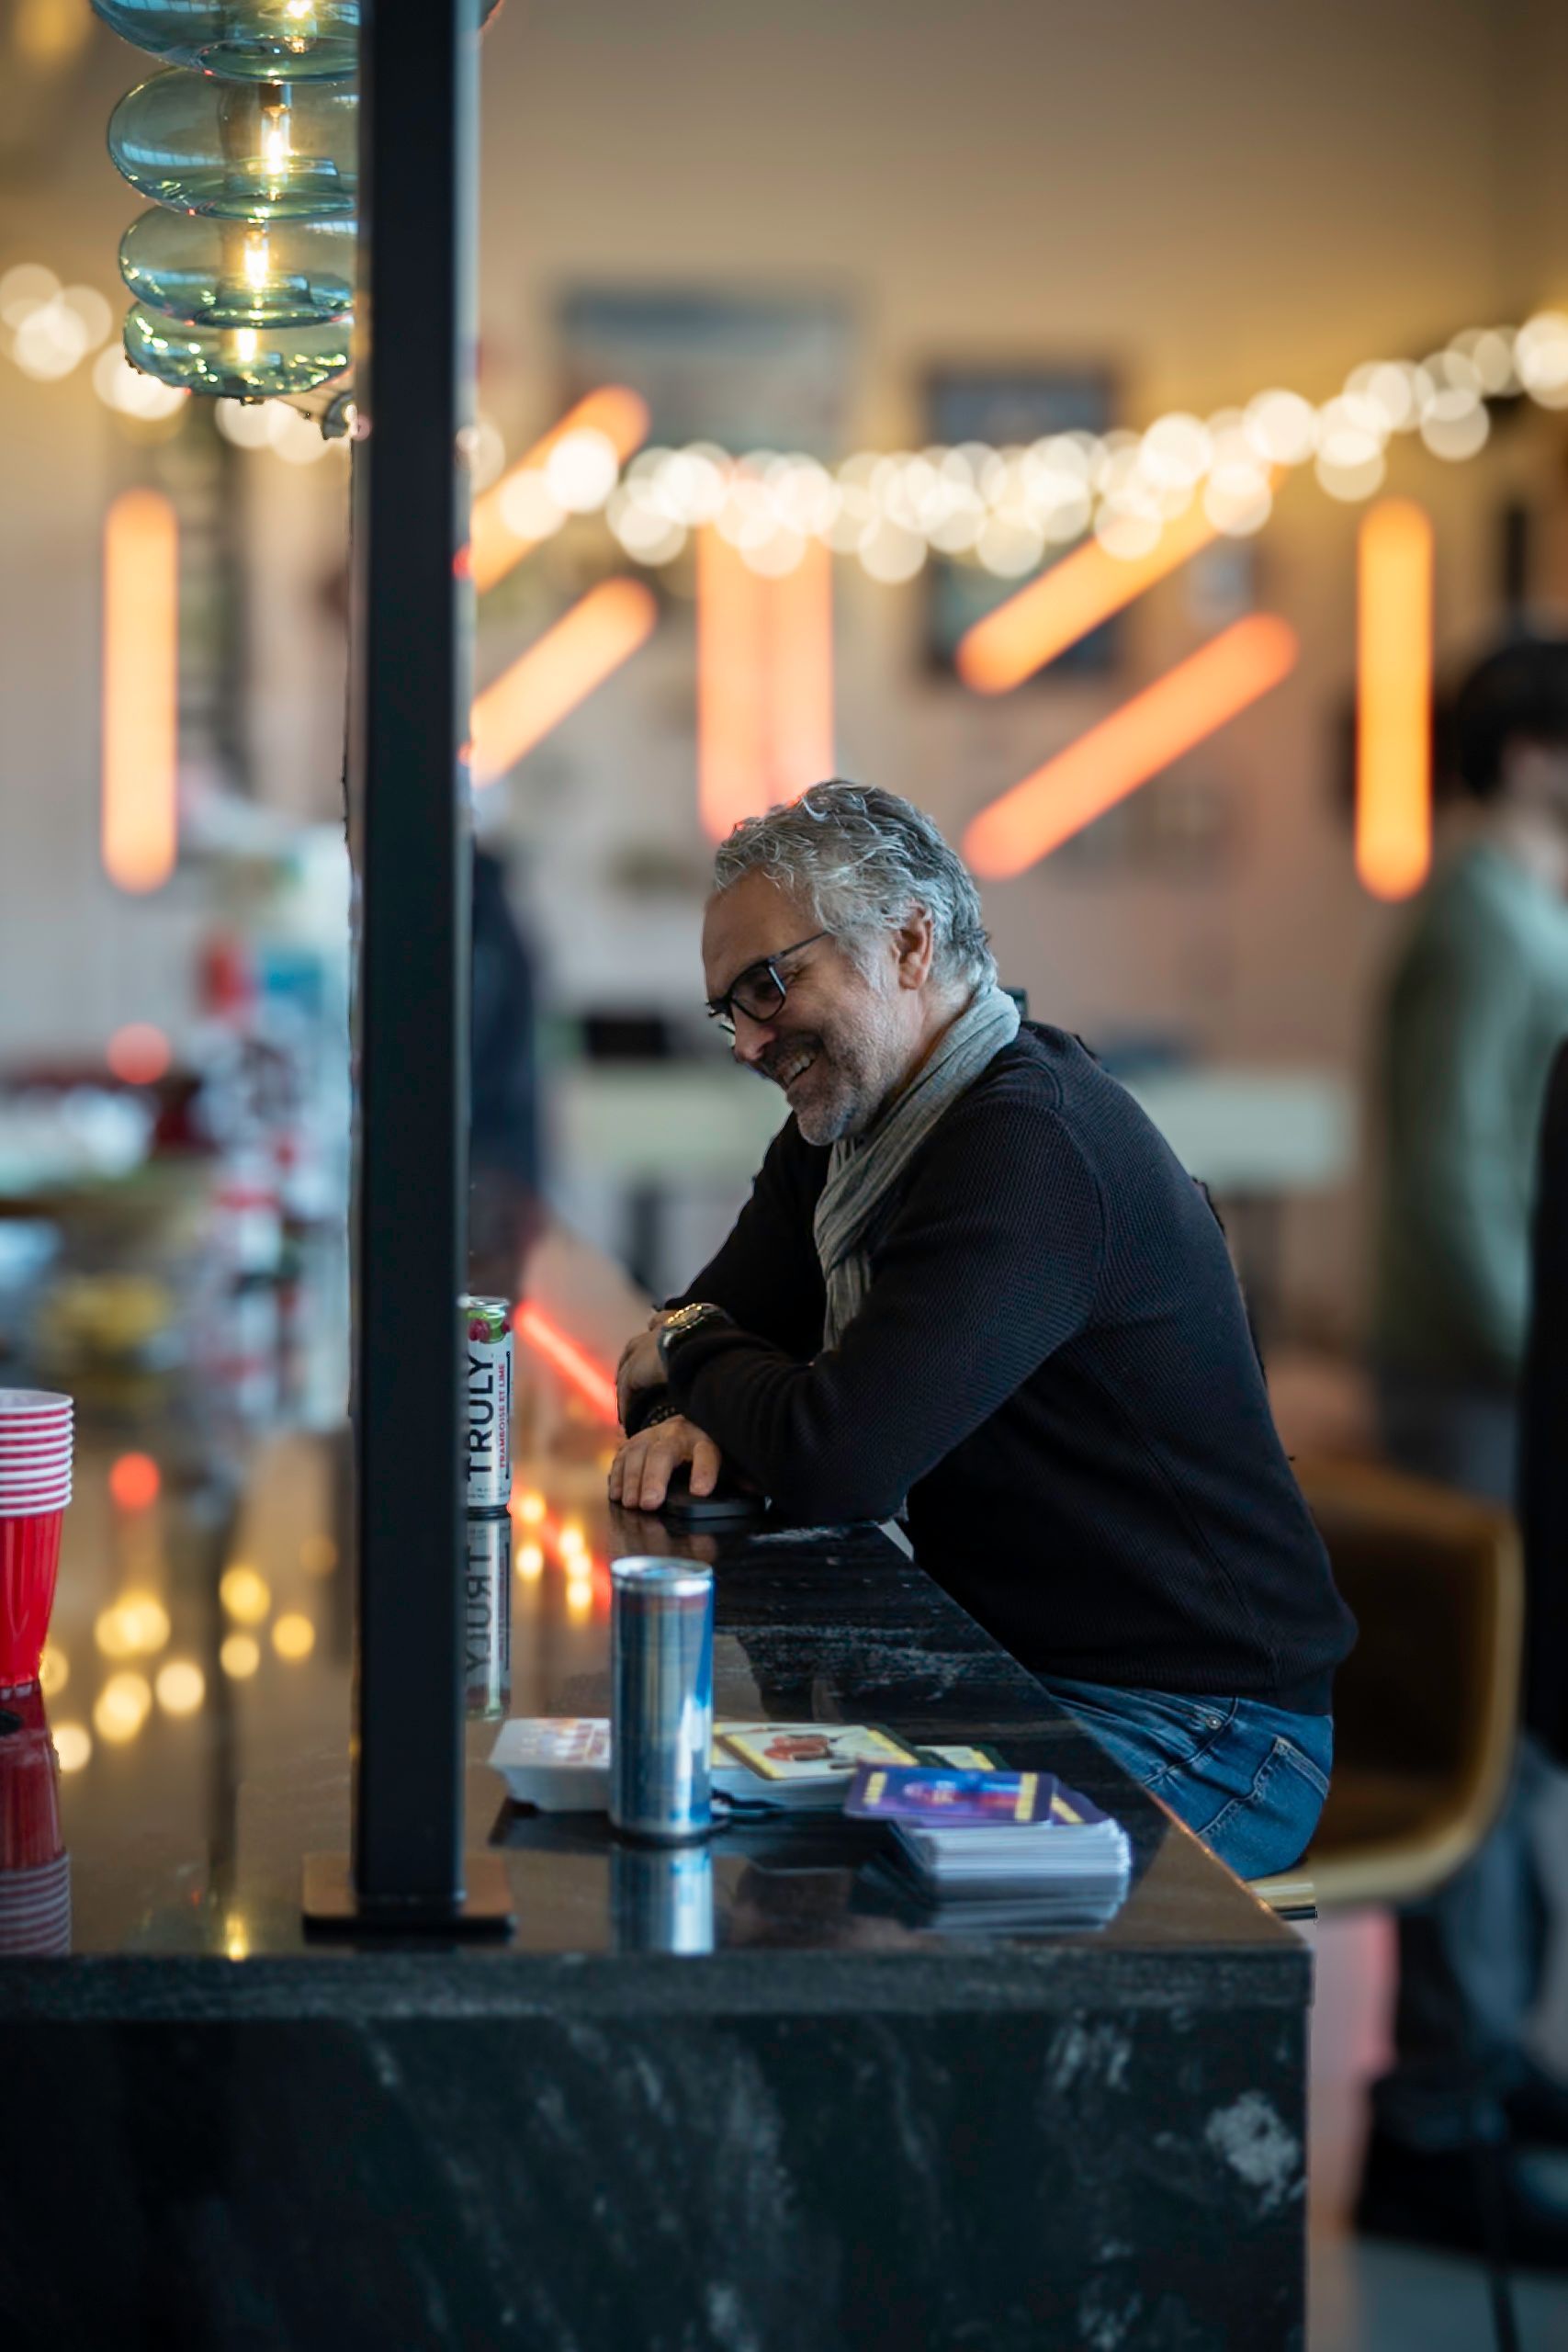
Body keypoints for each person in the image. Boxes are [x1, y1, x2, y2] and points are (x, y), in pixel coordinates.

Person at [611, 782, 1355, 1880]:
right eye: (731, 1007)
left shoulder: (1030, 1147)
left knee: (841, 1886)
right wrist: (691, 1369)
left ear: (910, 942)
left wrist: (688, 1350)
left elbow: (833, 1457)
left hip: (1206, 1727)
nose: (748, 1040)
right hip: (1002, 1672)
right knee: (724, 1836)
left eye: (769, 985)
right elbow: (710, 1324)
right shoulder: (845, 1138)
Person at [1360, 639, 1568, 2266]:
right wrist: (1531, 1354)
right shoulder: (1483, 922)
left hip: (1495, 1376)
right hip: (1480, 1382)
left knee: (1514, 1738)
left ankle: (1481, 2069)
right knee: (1485, 1740)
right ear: (1524, 756)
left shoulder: (1506, 909)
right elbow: (1448, 1184)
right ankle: (1444, 2101)